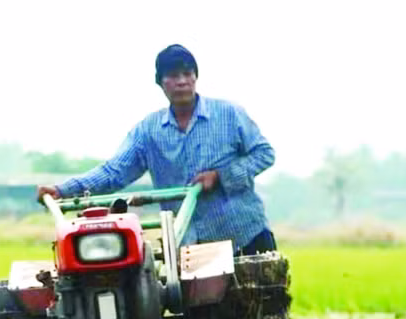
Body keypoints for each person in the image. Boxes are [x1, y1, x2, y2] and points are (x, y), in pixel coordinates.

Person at [37, 44, 278, 255]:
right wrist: (62, 190)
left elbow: (264, 154)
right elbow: (114, 172)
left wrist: (220, 176)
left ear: (196, 77)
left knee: (259, 305)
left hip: (244, 236)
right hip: (190, 246)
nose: (182, 81)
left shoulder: (228, 114)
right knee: (196, 306)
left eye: (187, 73)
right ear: (161, 83)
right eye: (173, 75)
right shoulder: (149, 131)